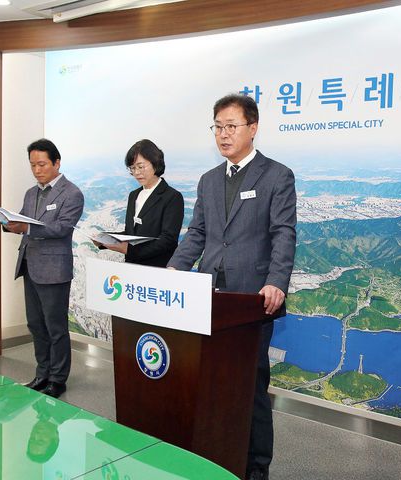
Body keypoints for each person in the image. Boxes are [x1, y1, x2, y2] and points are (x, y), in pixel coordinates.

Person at [167, 93, 297, 480]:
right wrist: (173, 269)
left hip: (252, 300)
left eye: (231, 126)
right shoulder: (208, 180)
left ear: (252, 128)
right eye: (218, 127)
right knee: (212, 383)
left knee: (251, 387)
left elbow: (283, 233)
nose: (223, 134)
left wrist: (276, 282)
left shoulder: (276, 175)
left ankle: (256, 468)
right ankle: (218, 456)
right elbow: (198, 233)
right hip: (208, 298)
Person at [5, 138, 84, 399]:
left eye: (42, 164)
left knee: (55, 327)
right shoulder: (31, 193)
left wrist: (26, 227)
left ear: (56, 163)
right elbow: (21, 220)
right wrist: (7, 223)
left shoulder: (72, 193)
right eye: (33, 165)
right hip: (30, 265)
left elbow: (62, 228)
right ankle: (42, 374)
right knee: (35, 324)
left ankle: (58, 379)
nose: (37, 170)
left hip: (54, 269)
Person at [94, 139, 183, 266]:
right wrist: (104, 239)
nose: (136, 173)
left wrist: (130, 251)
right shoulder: (133, 195)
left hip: (157, 268)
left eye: (140, 167)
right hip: (132, 267)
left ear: (155, 163)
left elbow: (168, 241)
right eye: (132, 168)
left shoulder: (172, 197)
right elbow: (130, 234)